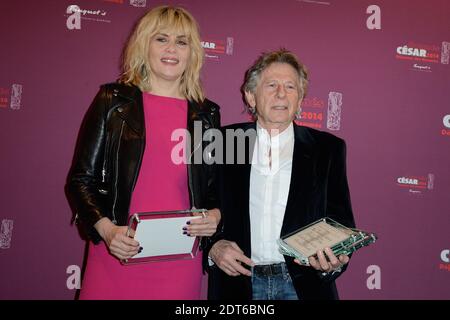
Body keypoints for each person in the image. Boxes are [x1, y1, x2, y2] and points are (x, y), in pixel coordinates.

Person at [66, 5, 221, 300]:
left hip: (178, 261)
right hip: (116, 253)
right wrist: (107, 230)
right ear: (144, 44)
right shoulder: (112, 101)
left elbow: (213, 190)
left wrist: (214, 215)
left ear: (192, 53)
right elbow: (80, 179)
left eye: (182, 41)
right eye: (161, 38)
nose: (172, 49)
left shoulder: (207, 114)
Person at [206, 49, 355, 300]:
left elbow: (341, 222)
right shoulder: (224, 142)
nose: (281, 94)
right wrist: (213, 247)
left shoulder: (327, 149)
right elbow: (202, 208)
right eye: (271, 85)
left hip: (304, 286)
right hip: (238, 283)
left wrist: (336, 259)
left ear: (300, 101)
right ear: (251, 96)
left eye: (290, 87)